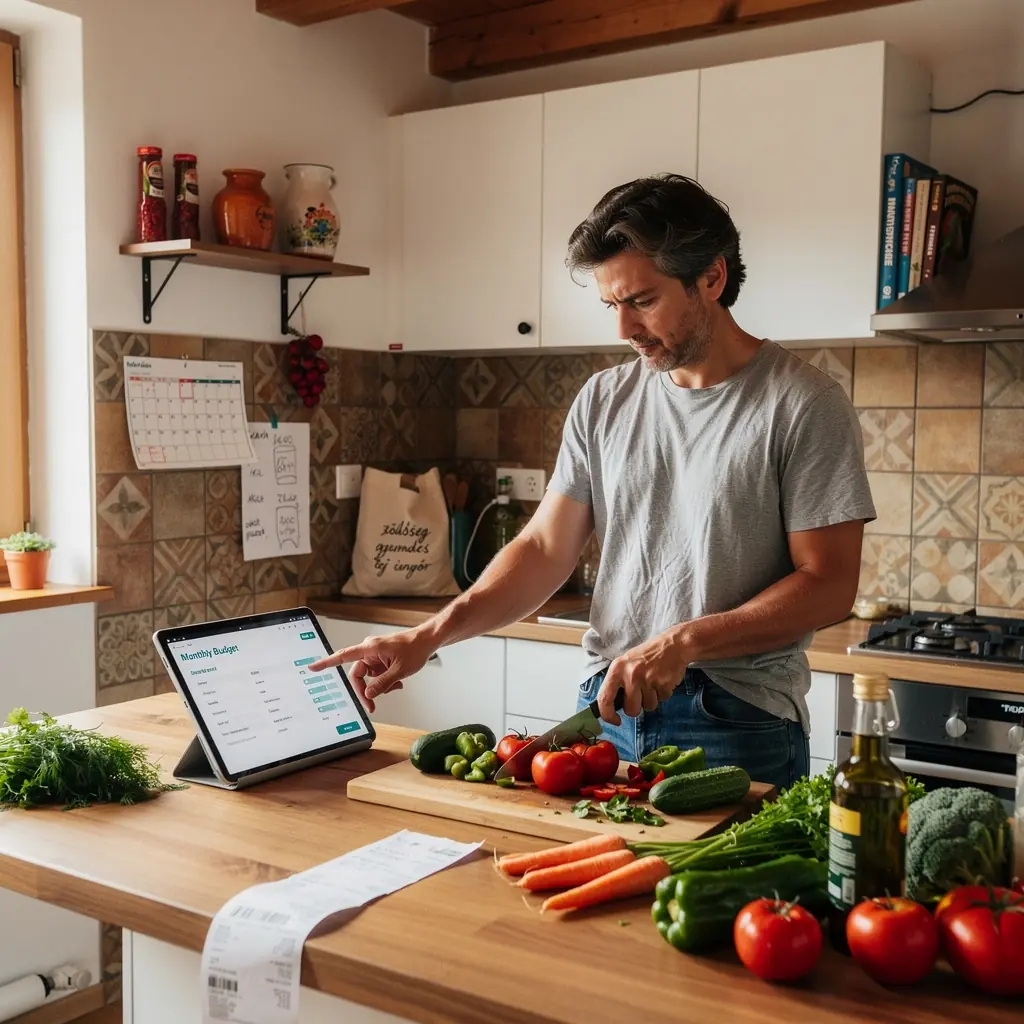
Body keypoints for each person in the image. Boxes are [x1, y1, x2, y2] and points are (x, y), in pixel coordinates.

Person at [312, 174, 876, 791]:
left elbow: (828, 585)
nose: (623, 329)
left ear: (711, 278)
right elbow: (544, 549)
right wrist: (428, 635)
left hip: (736, 718)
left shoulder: (803, 403)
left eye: (643, 300)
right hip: (605, 711)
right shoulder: (604, 399)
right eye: (612, 304)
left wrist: (682, 643)